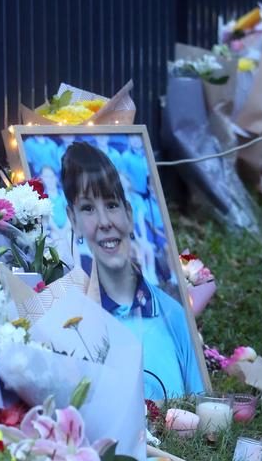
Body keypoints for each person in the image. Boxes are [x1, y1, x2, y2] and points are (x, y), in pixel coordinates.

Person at [60, 141, 204, 399]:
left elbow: (201, 408)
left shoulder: (172, 314)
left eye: (112, 205)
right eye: (88, 209)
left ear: (128, 212)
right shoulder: (72, 325)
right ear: (73, 220)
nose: (104, 222)